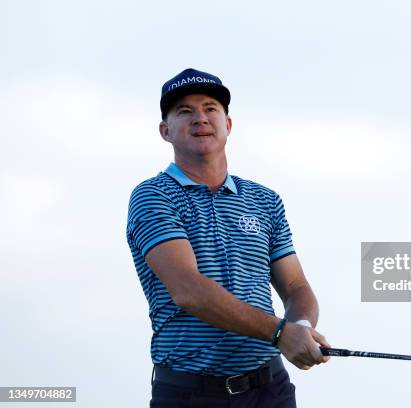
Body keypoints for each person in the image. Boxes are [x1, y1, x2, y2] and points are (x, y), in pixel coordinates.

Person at [126, 68, 330, 407]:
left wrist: (302, 328)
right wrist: (281, 333)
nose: (200, 118)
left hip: (270, 389)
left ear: (228, 124)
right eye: (185, 111)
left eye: (210, 108)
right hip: (190, 393)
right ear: (166, 131)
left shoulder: (265, 199)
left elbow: (295, 287)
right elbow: (188, 291)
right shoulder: (153, 196)